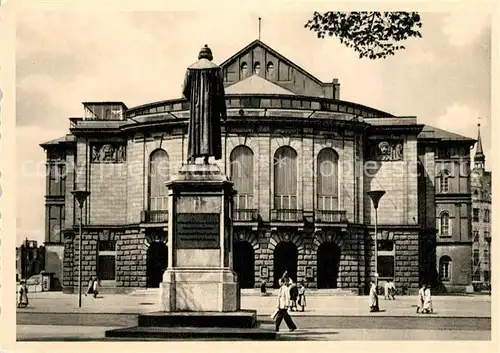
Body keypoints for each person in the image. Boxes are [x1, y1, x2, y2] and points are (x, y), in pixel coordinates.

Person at [182, 44, 227, 165]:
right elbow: (220, 92)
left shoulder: (190, 69)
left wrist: (193, 100)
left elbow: (185, 90)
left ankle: (193, 157)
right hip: (211, 108)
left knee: (195, 130)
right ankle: (206, 157)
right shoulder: (216, 70)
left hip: (195, 107)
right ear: (210, 56)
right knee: (209, 129)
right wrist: (223, 111)